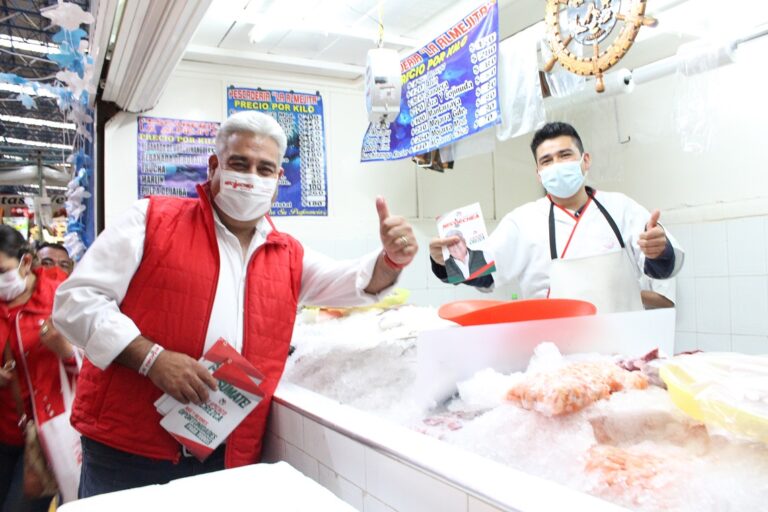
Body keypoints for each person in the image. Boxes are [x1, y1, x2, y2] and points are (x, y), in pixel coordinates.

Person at [51, 111, 418, 498]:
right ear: (215, 167)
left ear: (279, 181)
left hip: (224, 453)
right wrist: (152, 359)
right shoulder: (152, 219)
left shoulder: (287, 253)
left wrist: (390, 259)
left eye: (265, 169)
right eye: (239, 163)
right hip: (128, 450)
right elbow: (75, 301)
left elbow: (352, 282)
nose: (251, 177)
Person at [430, 122, 684, 313]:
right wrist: (445, 261)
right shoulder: (522, 222)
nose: (557, 165)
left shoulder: (622, 208)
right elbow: (482, 273)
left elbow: (663, 269)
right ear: (539, 173)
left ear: (585, 161)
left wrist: (659, 251)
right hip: (556, 354)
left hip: (624, 353)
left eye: (565, 155)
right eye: (547, 161)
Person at [0, 226, 76, 512]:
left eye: (1, 269)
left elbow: (96, 362)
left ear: (26, 262)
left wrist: (67, 352)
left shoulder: (61, 297)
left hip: (47, 436)